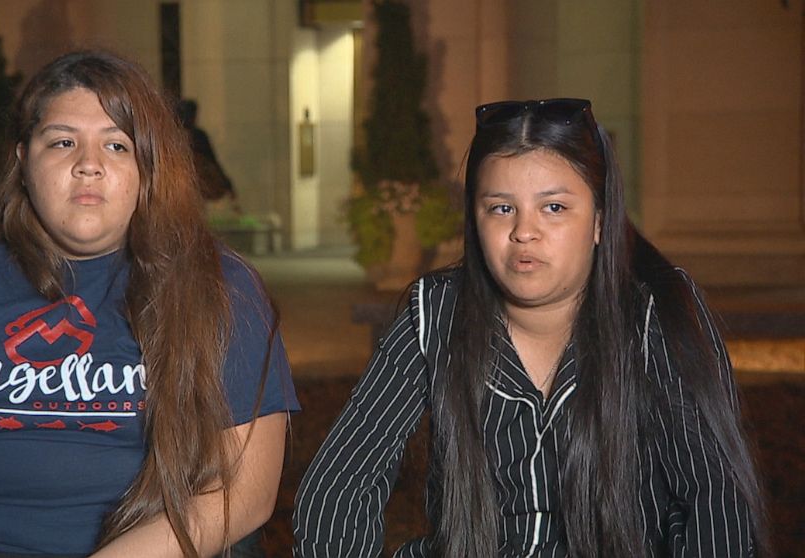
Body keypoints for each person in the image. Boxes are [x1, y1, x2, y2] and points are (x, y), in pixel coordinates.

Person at [0, 50, 298, 558]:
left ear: (149, 169)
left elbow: (243, 494)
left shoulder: (219, 286)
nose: (89, 165)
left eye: (117, 145)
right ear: (22, 160)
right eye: (63, 141)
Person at [293, 98, 768, 557]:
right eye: (501, 208)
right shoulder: (436, 312)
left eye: (554, 208)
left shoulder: (653, 313)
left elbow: (716, 501)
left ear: (600, 220)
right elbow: (338, 485)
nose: (524, 231)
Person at [177, 99, 237, 205]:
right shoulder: (191, 136)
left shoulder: (194, 136)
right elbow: (212, 159)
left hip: (193, 181)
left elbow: (211, 159)